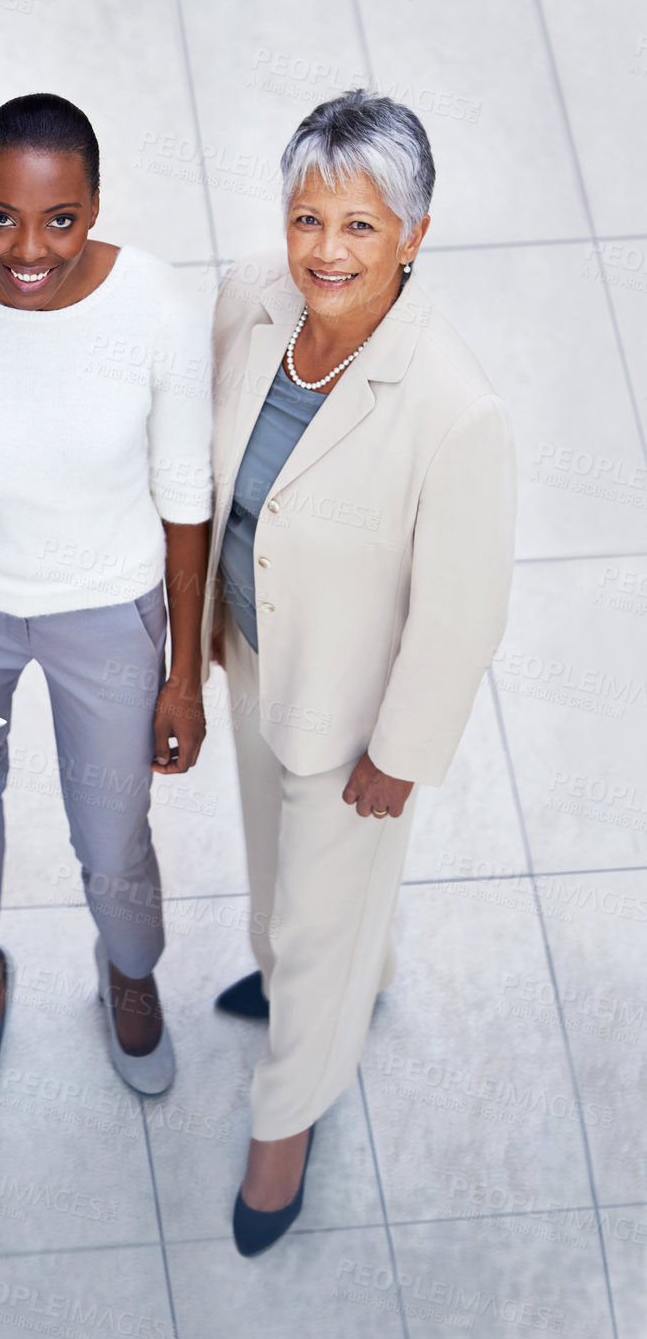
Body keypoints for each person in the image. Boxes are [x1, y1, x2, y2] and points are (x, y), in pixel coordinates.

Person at [204, 89, 516, 1256]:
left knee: (320, 908)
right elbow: (215, 480)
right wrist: (200, 636)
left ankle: (285, 1122)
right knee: (282, 878)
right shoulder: (248, 301)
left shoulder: (455, 405)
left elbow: (464, 606)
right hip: (249, 652)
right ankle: (326, 968)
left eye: (361, 226)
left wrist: (403, 747)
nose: (325, 251)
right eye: (308, 218)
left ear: (415, 236)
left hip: (353, 714)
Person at [0, 95, 213, 1118]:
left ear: (96, 206)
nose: (29, 248)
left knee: (113, 831)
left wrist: (182, 674)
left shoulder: (156, 302)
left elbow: (184, 492)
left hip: (107, 605)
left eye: (60, 218)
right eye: (1, 216)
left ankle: (132, 967)